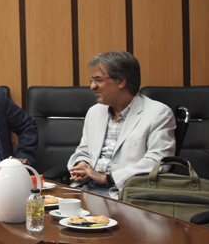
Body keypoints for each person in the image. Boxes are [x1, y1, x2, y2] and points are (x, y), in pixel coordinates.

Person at [68, 51, 176, 198]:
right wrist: (82, 164)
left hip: (126, 194)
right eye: (92, 80)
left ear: (121, 81)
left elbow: (158, 162)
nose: (92, 86)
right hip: (86, 190)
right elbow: (85, 150)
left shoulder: (158, 113)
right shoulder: (95, 111)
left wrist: (108, 178)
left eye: (98, 79)